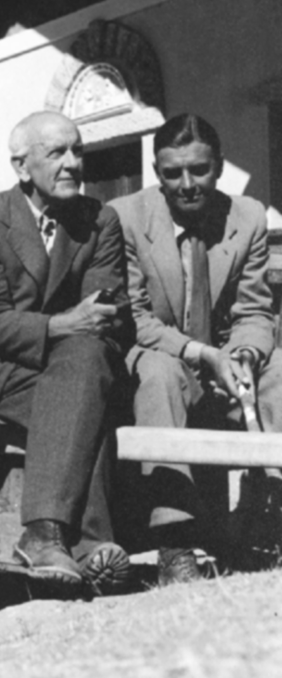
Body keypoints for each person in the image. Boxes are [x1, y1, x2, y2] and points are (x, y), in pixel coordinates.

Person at [0, 110, 133, 594]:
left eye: (78, 151)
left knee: (86, 364)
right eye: (57, 153)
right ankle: (84, 539)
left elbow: (105, 315)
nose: (74, 163)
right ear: (21, 166)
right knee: (82, 385)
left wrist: (61, 333)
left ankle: (49, 537)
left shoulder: (99, 220)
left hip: (60, 365)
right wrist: (61, 325)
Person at [110, 113, 282, 585]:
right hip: (160, 355)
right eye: (172, 174)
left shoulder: (246, 217)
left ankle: (266, 517)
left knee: (279, 369)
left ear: (220, 166)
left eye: (199, 170)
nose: (186, 185)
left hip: (223, 359)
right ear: (156, 172)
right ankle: (175, 542)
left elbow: (254, 311)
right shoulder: (126, 218)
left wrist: (244, 355)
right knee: (160, 374)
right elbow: (135, 319)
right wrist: (202, 354)